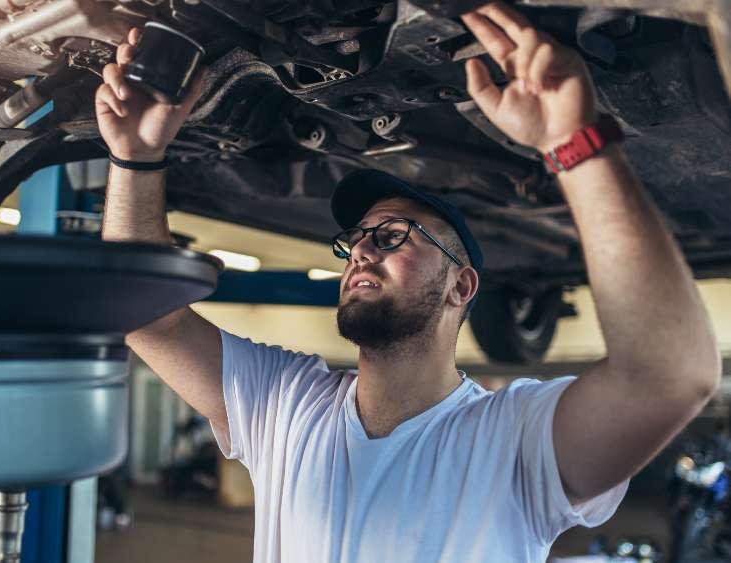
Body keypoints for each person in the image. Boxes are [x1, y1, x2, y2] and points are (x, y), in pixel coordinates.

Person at [95, 2, 722, 561]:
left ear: (461, 287)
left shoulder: (513, 440)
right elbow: (150, 315)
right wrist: (133, 158)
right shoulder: (285, 405)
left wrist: (575, 144)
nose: (360, 252)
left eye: (392, 235)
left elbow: (670, 375)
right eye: (357, 240)